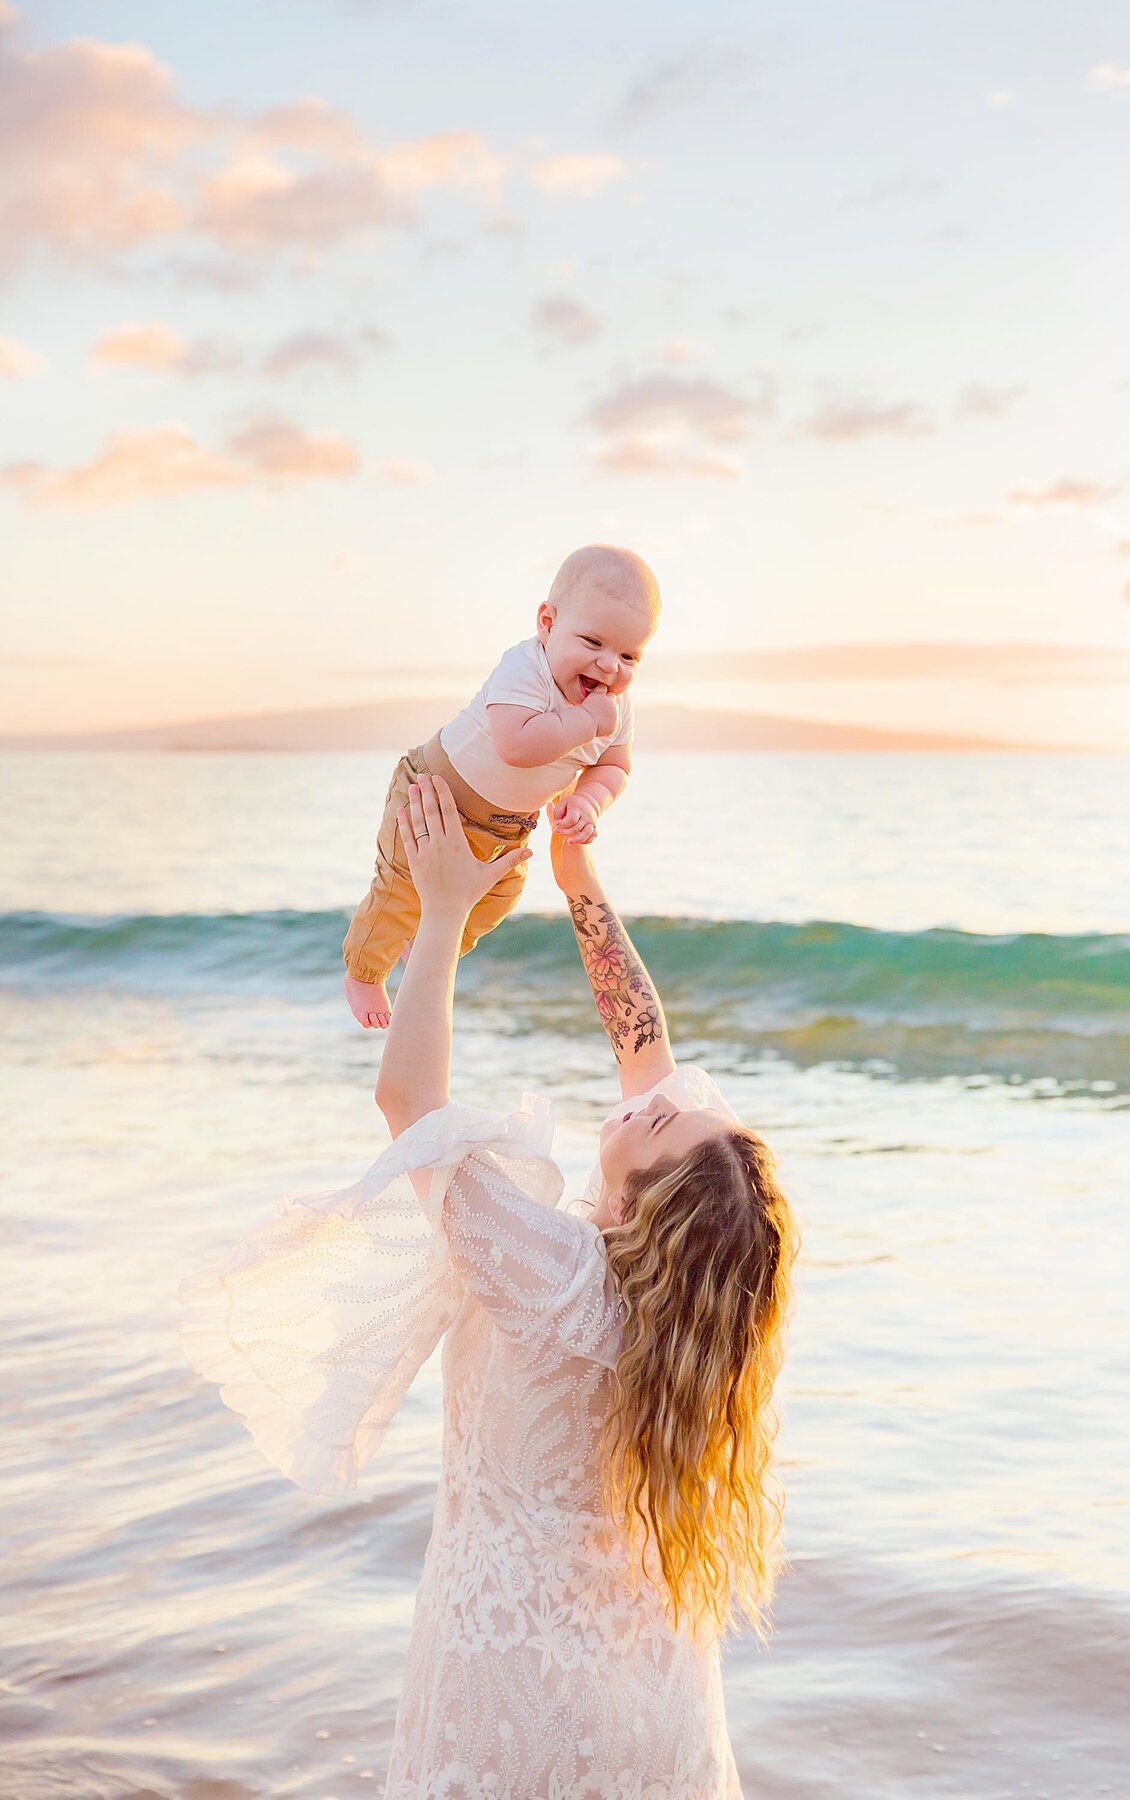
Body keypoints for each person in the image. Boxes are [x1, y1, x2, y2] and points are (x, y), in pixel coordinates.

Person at [179, 773, 799, 1799]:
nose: (651, 1102)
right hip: (653, 1686)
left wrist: (444, 907)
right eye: (670, 1112)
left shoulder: (555, 1274)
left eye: (656, 1126)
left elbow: (409, 1100)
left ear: (649, 1215)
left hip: (515, 1687)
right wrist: (577, 873)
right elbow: (649, 1051)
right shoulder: (702, 1313)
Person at [342, 543, 661, 1030]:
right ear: (547, 623)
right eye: (593, 643)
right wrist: (586, 721)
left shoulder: (617, 709)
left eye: (628, 655)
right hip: (433, 794)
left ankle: (428, 946)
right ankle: (365, 973)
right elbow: (517, 745)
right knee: (401, 886)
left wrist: (588, 802)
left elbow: (615, 767)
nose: (609, 666)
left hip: (507, 829)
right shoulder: (525, 668)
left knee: (499, 897)